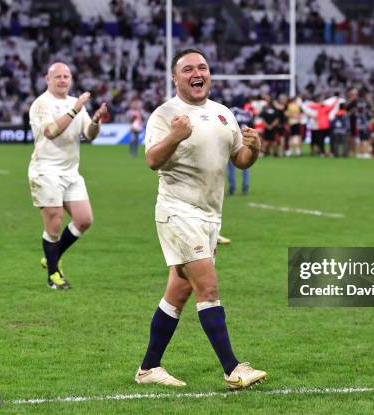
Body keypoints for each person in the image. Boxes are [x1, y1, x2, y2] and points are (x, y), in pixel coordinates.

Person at [136, 48, 266, 389]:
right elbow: (151, 159)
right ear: (176, 78)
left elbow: (240, 160)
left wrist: (254, 148)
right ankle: (233, 368)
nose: (198, 73)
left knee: (178, 293)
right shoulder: (166, 114)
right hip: (177, 211)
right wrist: (175, 136)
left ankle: (149, 368)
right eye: (188, 69)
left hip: (210, 216)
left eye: (203, 67)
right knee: (207, 287)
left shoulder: (223, 114)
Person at [28, 62, 108, 289]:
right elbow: (51, 132)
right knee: (54, 223)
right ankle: (53, 275)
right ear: (48, 79)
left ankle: (51, 257)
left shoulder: (76, 103)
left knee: (84, 220)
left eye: (66, 76)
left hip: (71, 171)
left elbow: (89, 135)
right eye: (58, 77)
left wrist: (96, 121)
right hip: (46, 170)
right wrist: (75, 109)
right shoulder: (41, 104)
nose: (63, 80)